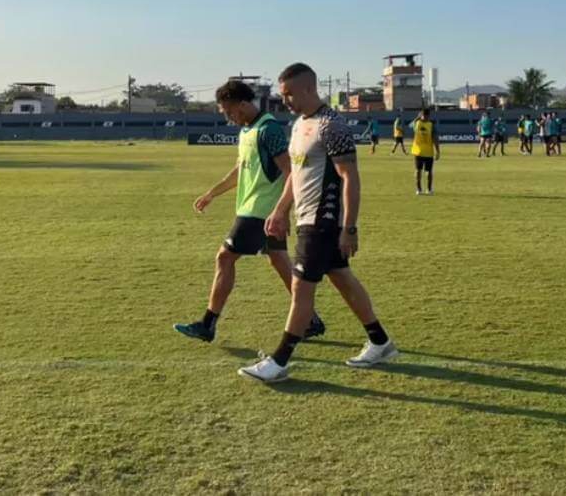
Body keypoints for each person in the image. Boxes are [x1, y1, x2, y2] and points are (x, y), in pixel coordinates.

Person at [238, 63, 396, 383]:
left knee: (301, 288)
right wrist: (281, 210)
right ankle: (380, 342)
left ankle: (279, 360)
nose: (286, 101)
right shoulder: (298, 125)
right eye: (283, 95)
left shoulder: (331, 125)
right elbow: (296, 175)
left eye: (289, 94)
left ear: (309, 89)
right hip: (304, 217)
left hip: (322, 221)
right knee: (341, 277)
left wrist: (349, 227)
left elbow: (350, 177)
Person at [176, 80, 325, 344]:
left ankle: (207, 324)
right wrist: (212, 193)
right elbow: (240, 170)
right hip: (258, 210)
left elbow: (291, 173)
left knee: (224, 258)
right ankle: (310, 319)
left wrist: (281, 210)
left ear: (243, 104)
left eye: (229, 111)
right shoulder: (247, 131)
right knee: (279, 261)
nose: (227, 116)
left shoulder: (268, 130)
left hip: (260, 211)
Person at [411, 106, 440, 195]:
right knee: (420, 171)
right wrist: (438, 151)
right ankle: (422, 189)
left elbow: (435, 139)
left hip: (425, 152)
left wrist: (437, 151)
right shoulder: (428, 125)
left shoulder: (418, 123)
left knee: (425, 171)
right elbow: (435, 139)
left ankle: (425, 189)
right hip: (420, 152)